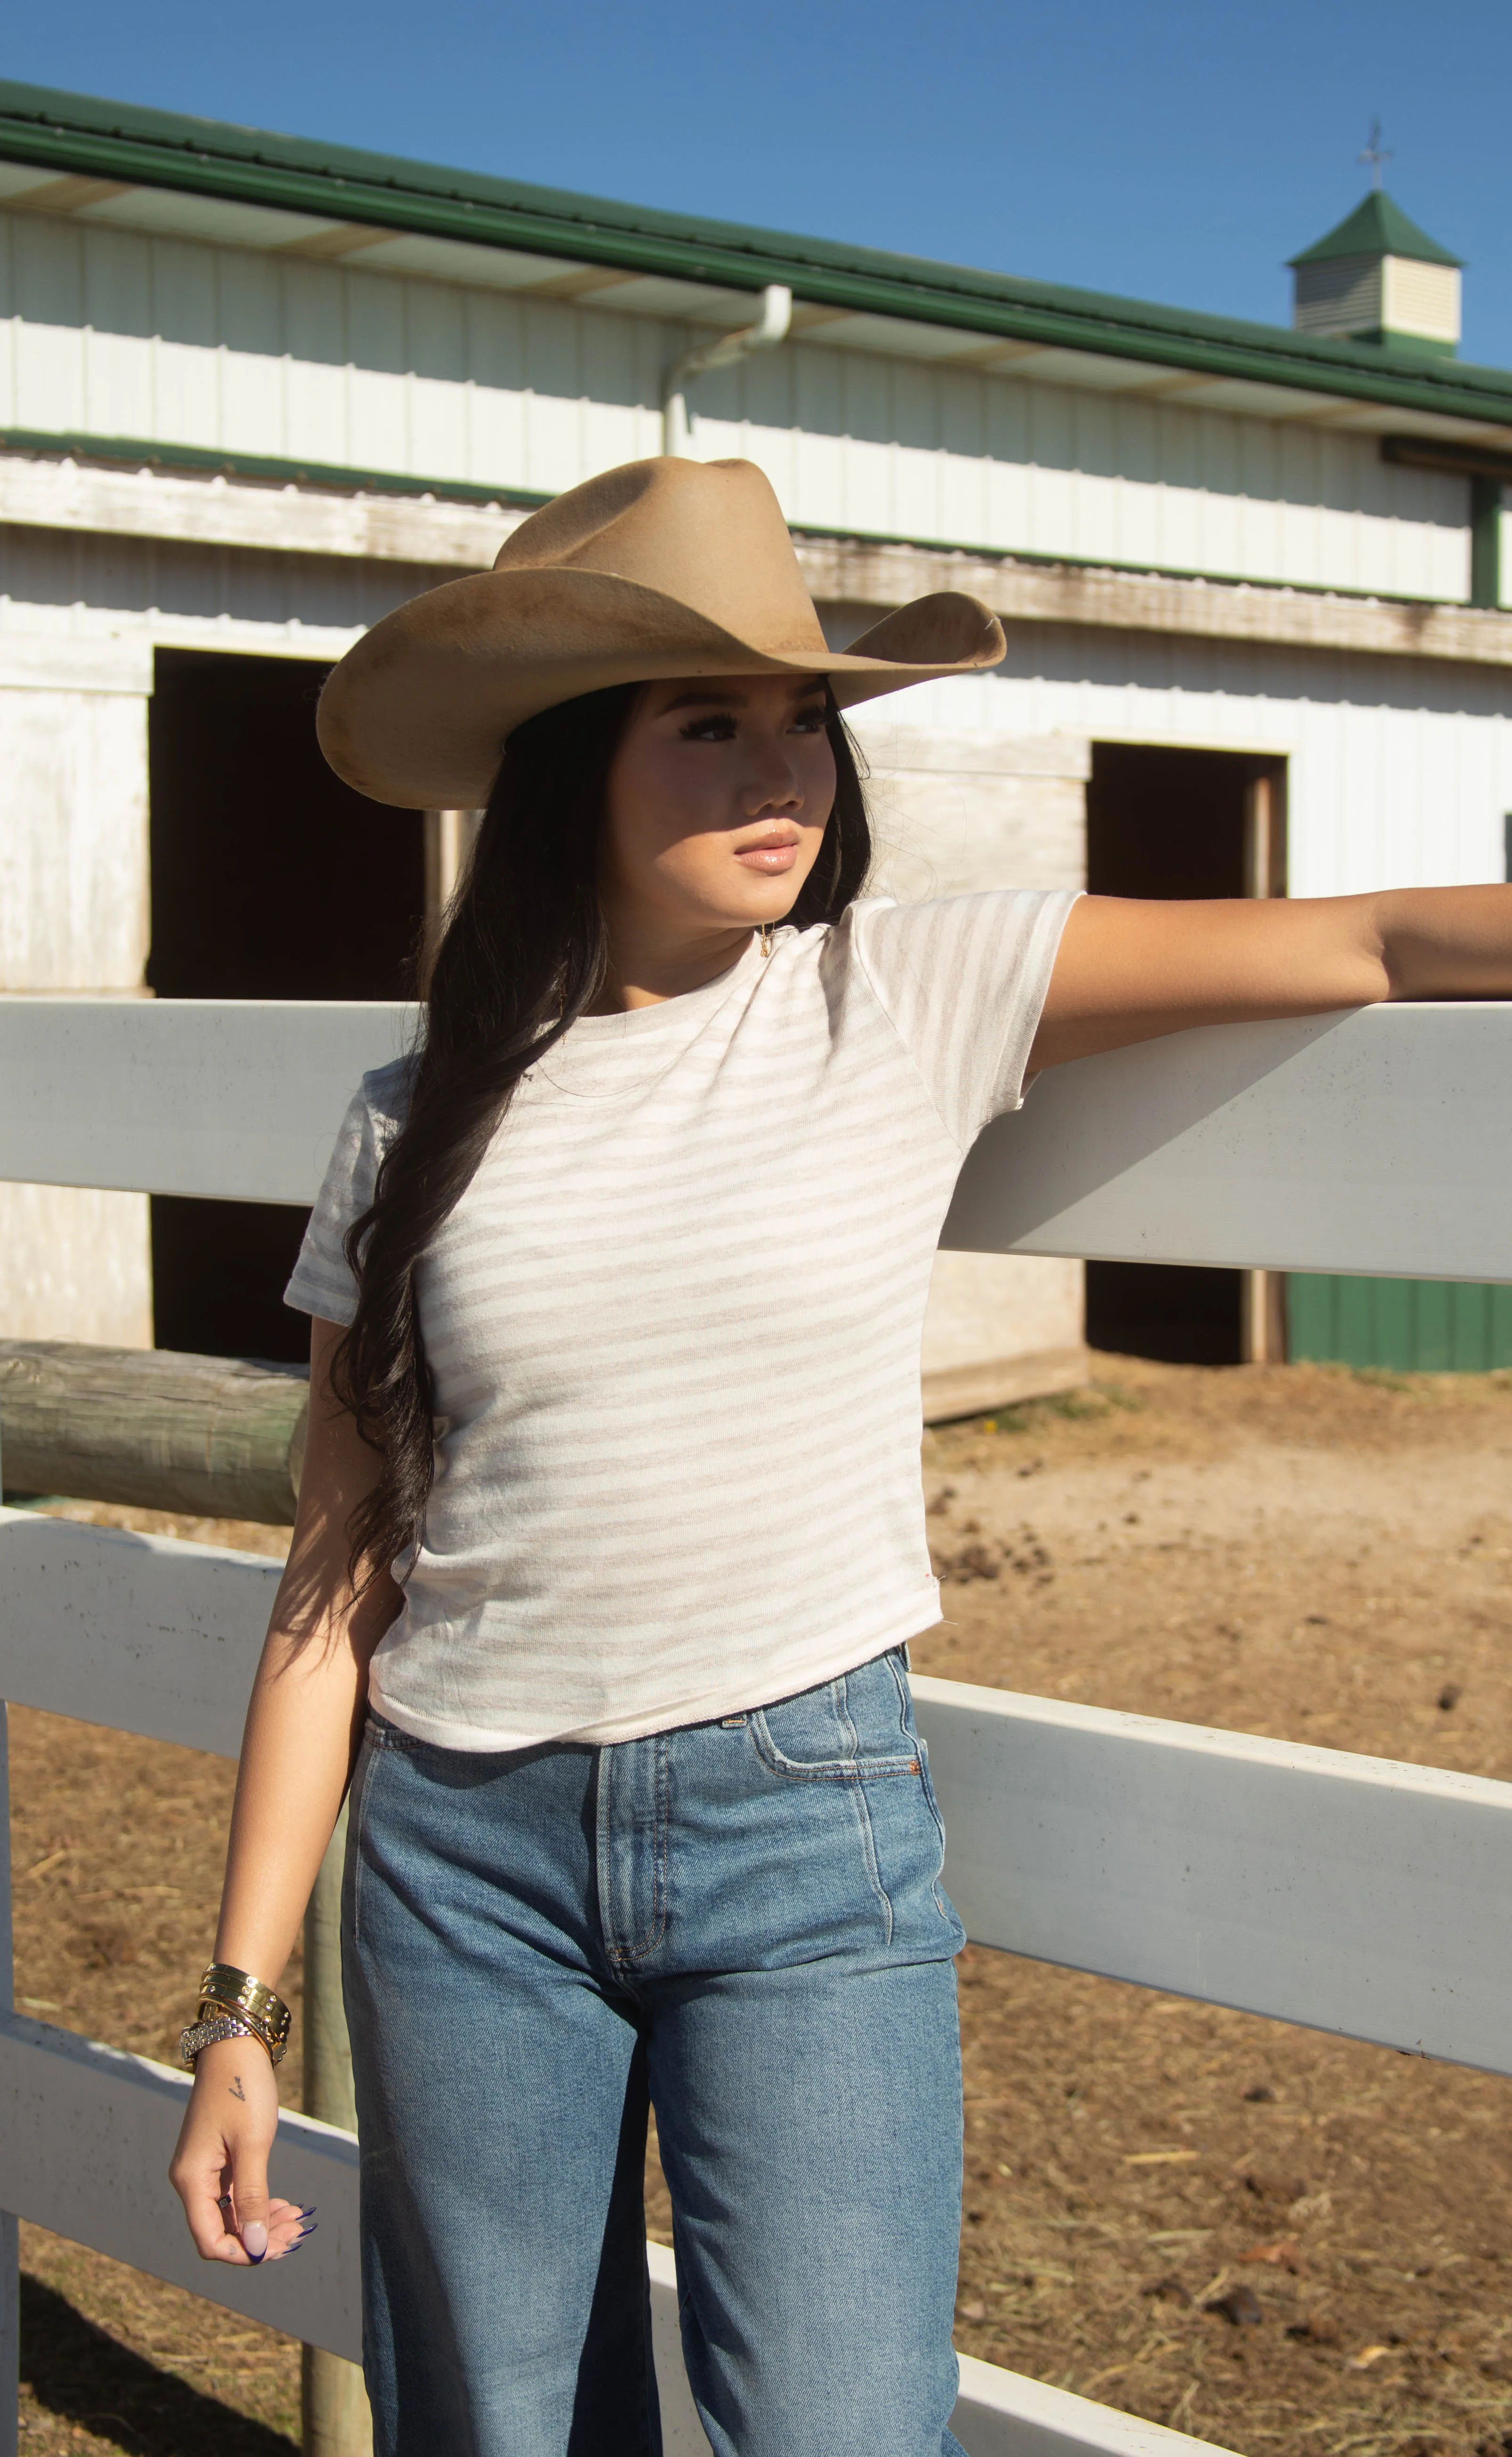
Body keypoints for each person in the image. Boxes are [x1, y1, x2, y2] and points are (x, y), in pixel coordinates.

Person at [169, 456, 1512, 2457]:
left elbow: (1380, 940)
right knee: (496, 2428)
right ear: (568, 766)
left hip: (799, 1828)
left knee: (841, 2425)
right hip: (458, 1863)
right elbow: (336, 1563)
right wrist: (238, 2005)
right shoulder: (414, 1115)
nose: (778, 770)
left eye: (802, 720)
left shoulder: (897, 992)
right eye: (705, 723)